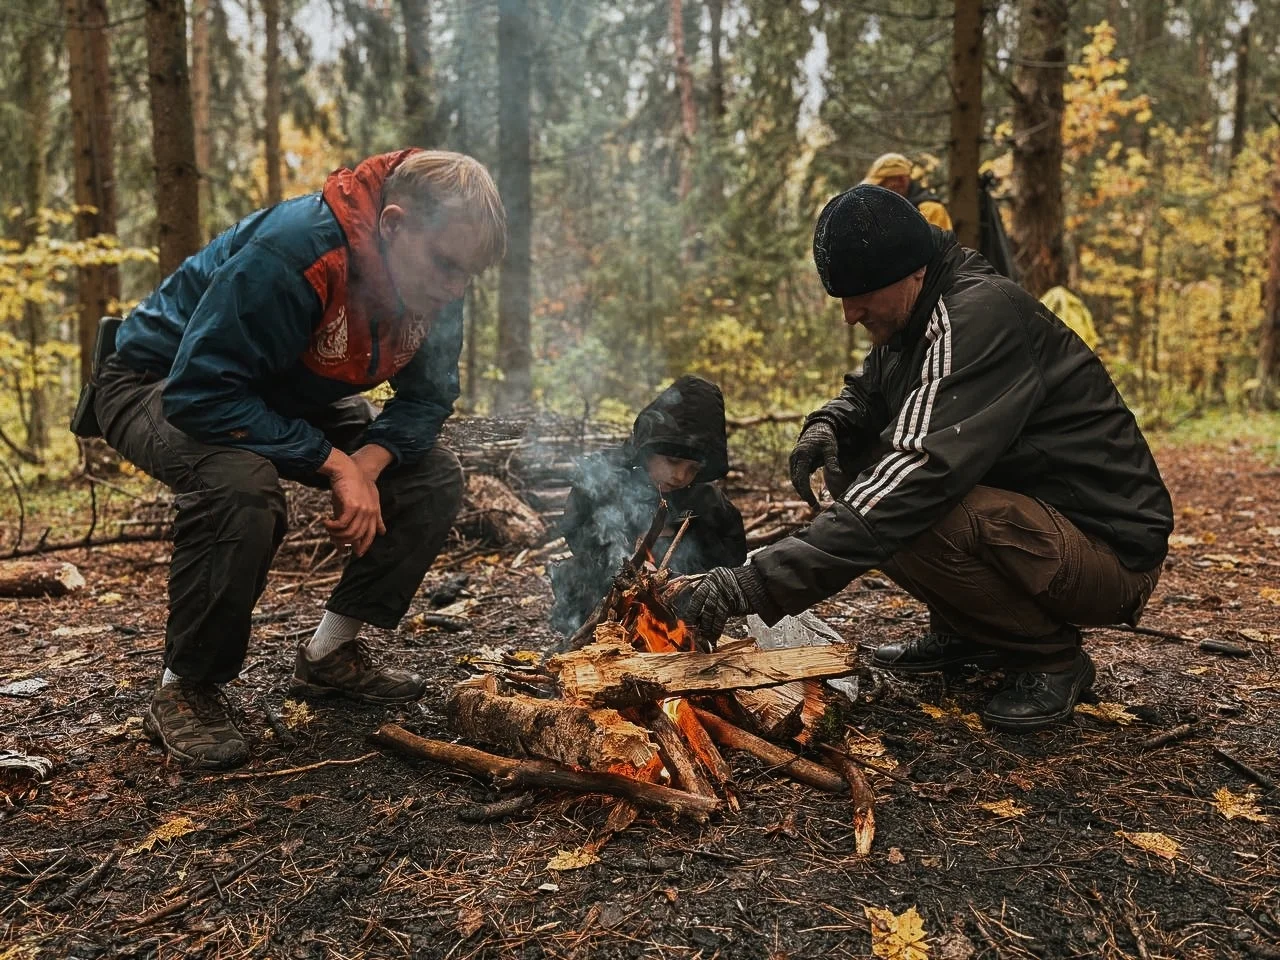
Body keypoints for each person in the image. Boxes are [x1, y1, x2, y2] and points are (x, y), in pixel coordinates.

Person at [672, 185, 1173, 731]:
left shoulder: (978, 315)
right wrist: (828, 423)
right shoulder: (917, 314)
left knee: (913, 501)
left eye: (861, 293)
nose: (850, 314)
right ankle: (968, 635)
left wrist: (755, 582)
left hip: (1109, 555)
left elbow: (917, 475)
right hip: (1046, 531)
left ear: (910, 271)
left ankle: (1049, 659)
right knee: (854, 462)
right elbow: (868, 391)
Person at [93, 149, 507, 768]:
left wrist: (367, 463)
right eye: (447, 266)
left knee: (429, 475)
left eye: (468, 274)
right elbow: (201, 390)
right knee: (240, 484)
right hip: (160, 383)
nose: (455, 288)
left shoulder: (439, 278)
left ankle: (328, 654)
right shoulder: (297, 251)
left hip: (286, 391)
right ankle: (185, 689)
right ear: (392, 225)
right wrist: (334, 464)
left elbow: (429, 397)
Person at [550, 375, 747, 636]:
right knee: (574, 575)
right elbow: (576, 531)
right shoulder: (607, 477)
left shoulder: (705, 498)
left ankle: (668, 639)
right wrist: (621, 563)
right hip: (609, 590)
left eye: (693, 469)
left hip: (675, 604)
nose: (680, 476)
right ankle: (592, 637)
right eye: (672, 461)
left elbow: (731, 553)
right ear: (647, 449)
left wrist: (679, 572)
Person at [862, 152, 953, 232]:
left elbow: (934, 248)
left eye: (882, 184)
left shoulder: (930, 210)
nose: (877, 191)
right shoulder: (888, 209)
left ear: (902, 180)